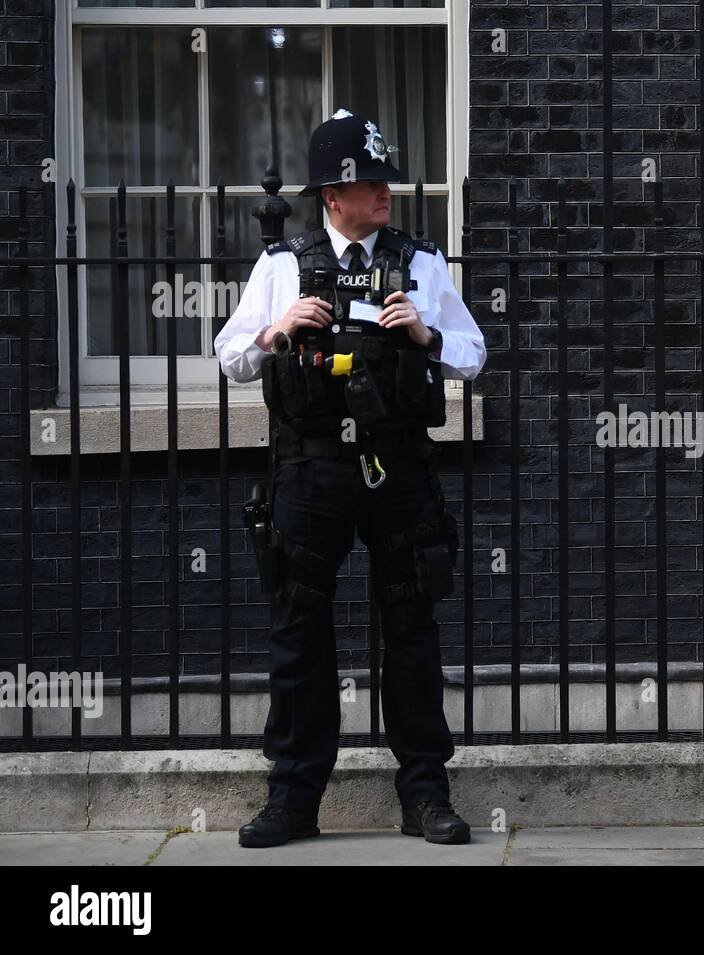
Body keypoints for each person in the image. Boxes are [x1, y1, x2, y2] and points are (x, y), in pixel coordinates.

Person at [215, 108, 487, 848]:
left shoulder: (420, 262)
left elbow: (474, 352)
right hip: (310, 472)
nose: (385, 192)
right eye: (370, 182)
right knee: (299, 630)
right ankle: (293, 799)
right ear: (332, 196)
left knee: (410, 627)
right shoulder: (282, 265)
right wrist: (276, 329)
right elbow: (229, 353)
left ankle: (425, 795)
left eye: (385, 180)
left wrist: (427, 334)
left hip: (397, 469)